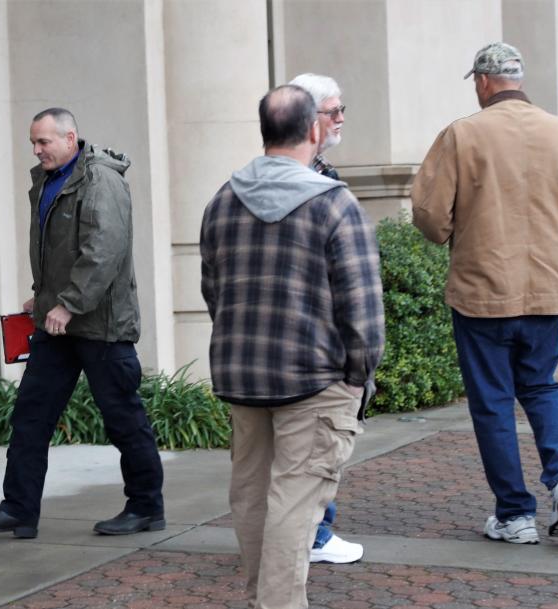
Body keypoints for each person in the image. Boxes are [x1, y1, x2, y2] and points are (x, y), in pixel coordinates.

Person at [200, 85, 384, 609]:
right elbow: (363, 310)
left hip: (243, 375)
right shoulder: (334, 204)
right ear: (312, 130)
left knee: (253, 497)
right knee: (294, 504)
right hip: (316, 378)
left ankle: (265, 597)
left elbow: (213, 291)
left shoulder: (222, 199)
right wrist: (359, 376)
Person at [411, 42, 558, 544]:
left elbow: (428, 214)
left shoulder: (463, 133)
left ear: (484, 81)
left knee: (492, 402)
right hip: (547, 287)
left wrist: (453, 231)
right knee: (542, 386)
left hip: (482, 287)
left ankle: (515, 515)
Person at [0, 108, 165, 539]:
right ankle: (18, 509)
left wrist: (68, 302)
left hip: (101, 325)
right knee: (31, 415)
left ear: (70, 138)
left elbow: (103, 251)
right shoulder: (47, 180)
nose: (36, 150)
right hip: (58, 324)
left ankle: (146, 507)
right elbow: (63, 249)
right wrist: (46, 296)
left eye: (44, 142)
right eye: (33, 143)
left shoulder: (101, 181)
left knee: (122, 418)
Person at [290, 72, 363, 565]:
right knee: (316, 447)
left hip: (297, 341)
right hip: (311, 344)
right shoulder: (309, 183)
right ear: (307, 119)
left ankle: (309, 533)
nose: (340, 119)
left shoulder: (318, 176)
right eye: (332, 111)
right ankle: (314, 536)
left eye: (341, 109)